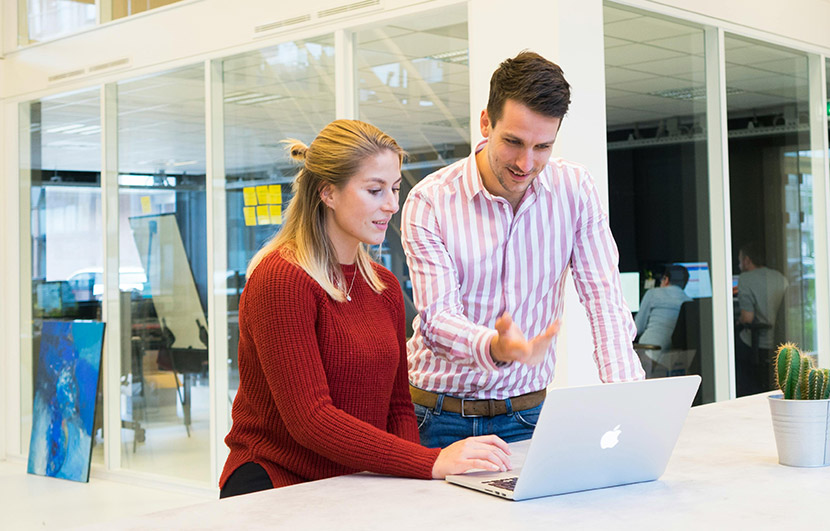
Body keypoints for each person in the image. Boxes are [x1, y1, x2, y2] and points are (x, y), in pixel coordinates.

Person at [220, 119, 511, 498]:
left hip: (355, 482)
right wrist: (428, 462)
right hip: (277, 484)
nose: (392, 205)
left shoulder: (383, 286)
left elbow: (398, 407)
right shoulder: (282, 279)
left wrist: (412, 482)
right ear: (328, 192)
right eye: (375, 190)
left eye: (395, 188)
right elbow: (310, 420)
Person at [401, 51, 644, 449]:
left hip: (527, 414)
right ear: (486, 123)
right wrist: (494, 347)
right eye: (513, 142)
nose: (525, 163)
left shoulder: (574, 190)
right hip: (436, 416)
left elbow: (605, 301)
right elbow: (438, 320)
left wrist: (628, 401)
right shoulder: (431, 201)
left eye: (542, 146)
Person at [734, 242, 788, 396]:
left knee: (729, 345)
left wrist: (737, 321)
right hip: (779, 340)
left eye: (739, 260)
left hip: (759, 342)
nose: (739, 264)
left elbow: (747, 318)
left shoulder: (745, 278)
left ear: (747, 260)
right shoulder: (780, 277)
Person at [634, 265, 692, 374]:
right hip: (674, 358)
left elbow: (637, 328)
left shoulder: (653, 294)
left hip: (649, 353)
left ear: (666, 279)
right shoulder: (688, 301)